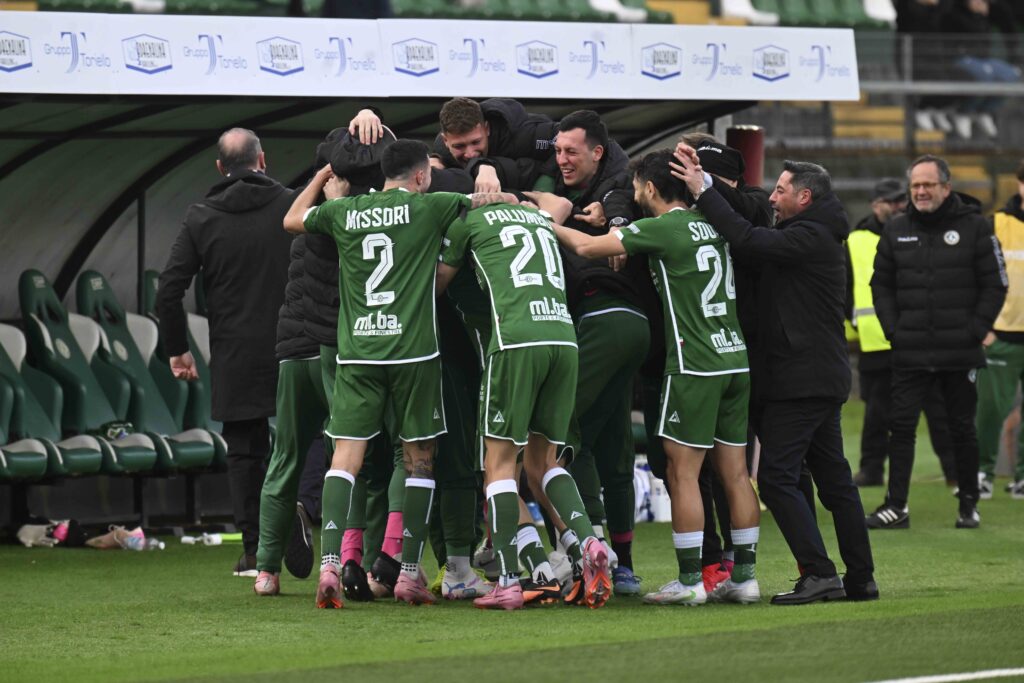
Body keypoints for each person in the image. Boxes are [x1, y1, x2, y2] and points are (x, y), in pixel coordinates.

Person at [283, 139, 514, 609]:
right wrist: (492, 179)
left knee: (345, 457)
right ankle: (408, 572)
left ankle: (330, 564)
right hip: (414, 354)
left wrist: (322, 177)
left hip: (358, 354)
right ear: (421, 176)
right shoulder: (431, 206)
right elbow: (493, 203)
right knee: (418, 459)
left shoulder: (345, 211)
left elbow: (291, 219)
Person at [550, 149, 762, 606]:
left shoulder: (664, 227)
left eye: (636, 188)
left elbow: (586, 247)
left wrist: (544, 222)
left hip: (695, 363)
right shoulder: (713, 223)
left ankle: (690, 581)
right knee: (736, 473)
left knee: (683, 473)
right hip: (734, 358)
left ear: (649, 188)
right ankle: (745, 577)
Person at [673, 148, 878, 605]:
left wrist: (703, 190)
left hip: (800, 380)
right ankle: (860, 578)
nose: (772, 197)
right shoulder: (816, 232)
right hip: (816, 376)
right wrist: (711, 187)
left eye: (781, 190)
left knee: (778, 479)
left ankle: (821, 574)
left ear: (804, 197)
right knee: (834, 482)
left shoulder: (809, 236)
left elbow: (748, 239)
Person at [435, 199, 613, 611]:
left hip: (514, 342)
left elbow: (435, 284)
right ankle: (588, 543)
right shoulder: (537, 216)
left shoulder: (467, 221)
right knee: (545, 463)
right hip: (563, 339)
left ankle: (508, 582)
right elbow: (557, 202)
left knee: (497, 467)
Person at [157, 128, 293, 577]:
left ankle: (254, 551)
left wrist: (178, 350)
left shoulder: (201, 217)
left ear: (219, 167)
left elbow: (168, 289)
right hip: (296, 342)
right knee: (309, 438)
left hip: (235, 351)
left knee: (244, 452)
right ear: (262, 160)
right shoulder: (292, 205)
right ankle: (304, 513)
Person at [542, 110, 650, 596]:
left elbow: (616, 213)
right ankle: (622, 565)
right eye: (557, 150)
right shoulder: (581, 189)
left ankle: (589, 547)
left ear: (598, 153)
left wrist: (559, 221)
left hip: (602, 318)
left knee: (563, 434)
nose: (561, 160)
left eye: (571, 151)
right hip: (633, 326)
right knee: (613, 439)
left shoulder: (617, 191)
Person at [869, 154, 1007, 530]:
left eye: (928, 184)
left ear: (946, 187)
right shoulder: (896, 229)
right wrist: (894, 329)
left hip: (960, 351)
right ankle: (896, 506)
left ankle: (969, 504)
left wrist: (975, 329)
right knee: (901, 428)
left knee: (961, 428)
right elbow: (880, 285)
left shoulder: (976, 227)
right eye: (915, 185)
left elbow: (996, 283)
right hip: (909, 349)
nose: (921, 191)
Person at [847, 178, 958, 487]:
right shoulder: (855, 240)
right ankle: (871, 470)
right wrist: (853, 323)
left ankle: (955, 471)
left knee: (937, 409)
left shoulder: (920, 232)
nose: (898, 206)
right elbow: (845, 287)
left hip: (920, 338)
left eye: (901, 200)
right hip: (876, 341)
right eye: (891, 201)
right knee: (877, 414)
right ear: (875, 205)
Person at [977, 159, 1024, 499]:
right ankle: (982, 473)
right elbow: (973, 275)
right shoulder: (995, 223)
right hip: (1001, 334)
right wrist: (983, 326)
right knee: (991, 410)